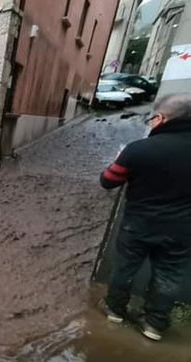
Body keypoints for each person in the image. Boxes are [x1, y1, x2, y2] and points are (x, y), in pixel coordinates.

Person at [100, 93, 191, 341]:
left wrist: (121, 161)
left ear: (161, 118)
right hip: (182, 228)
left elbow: (108, 181)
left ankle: (114, 310)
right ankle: (154, 324)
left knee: (125, 266)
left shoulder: (139, 149)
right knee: (169, 274)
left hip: (137, 224)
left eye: (152, 118)